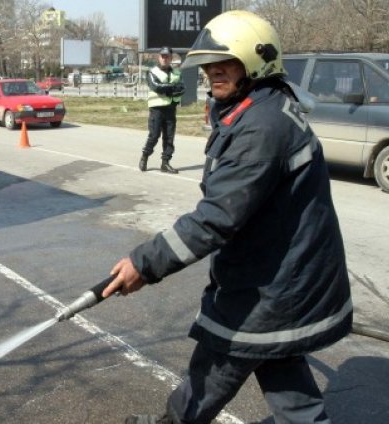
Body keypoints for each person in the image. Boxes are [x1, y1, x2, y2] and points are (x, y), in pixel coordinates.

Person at [105, 10, 352, 424]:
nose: (211, 73)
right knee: (288, 383)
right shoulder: (259, 107)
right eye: (207, 66)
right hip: (279, 279)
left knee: (214, 368)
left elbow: (217, 216)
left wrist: (144, 264)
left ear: (256, 63)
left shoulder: (262, 126)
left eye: (225, 64)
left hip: (269, 289)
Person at [139, 46, 185, 174]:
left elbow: (182, 88)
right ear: (159, 57)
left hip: (171, 109)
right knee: (154, 136)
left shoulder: (177, 73)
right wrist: (172, 88)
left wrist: (168, 90)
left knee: (169, 138)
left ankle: (165, 163)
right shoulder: (152, 72)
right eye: (162, 56)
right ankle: (145, 156)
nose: (165, 59)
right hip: (157, 109)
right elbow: (156, 87)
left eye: (167, 56)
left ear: (171, 58)